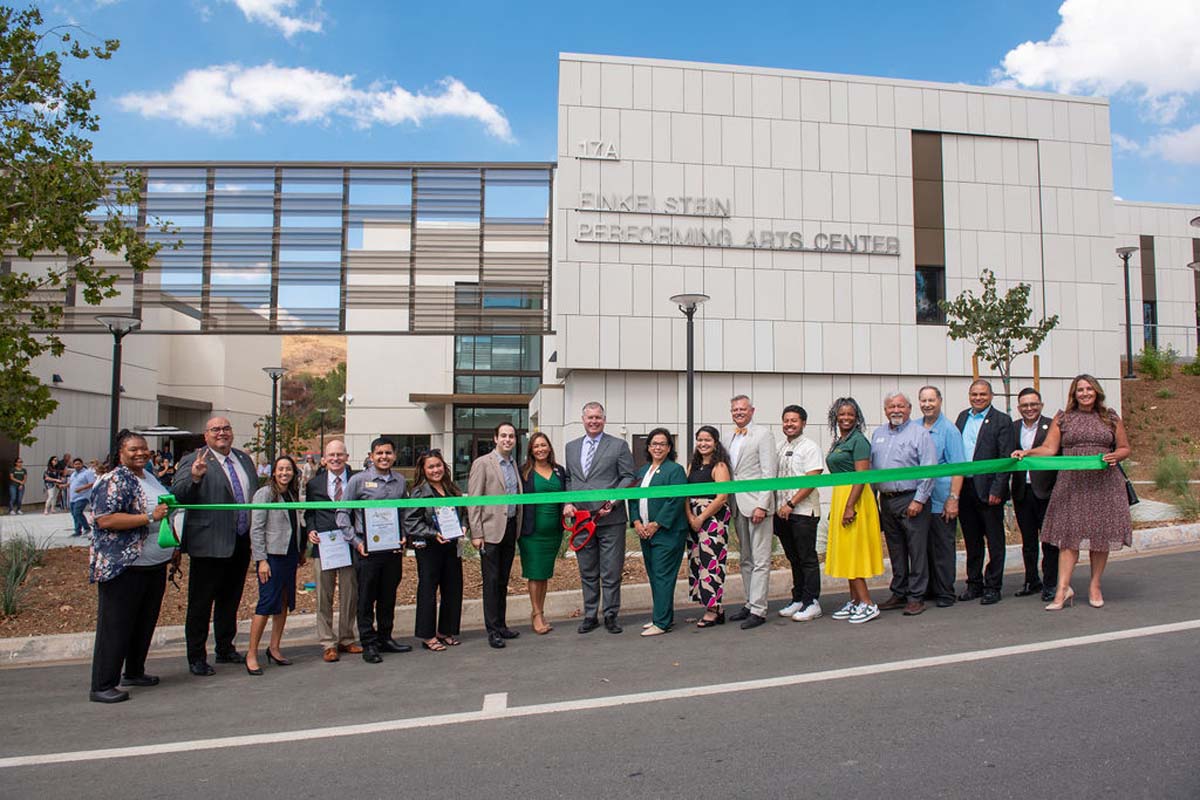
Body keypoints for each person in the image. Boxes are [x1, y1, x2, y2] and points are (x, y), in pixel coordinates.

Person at [1014, 374, 1132, 610]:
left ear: (1096, 391)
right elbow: (1049, 449)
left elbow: (1124, 448)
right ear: (1074, 394)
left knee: (1100, 537)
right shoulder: (1063, 418)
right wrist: (1028, 453)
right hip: (1072, 484)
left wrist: (1116, 456)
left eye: (1089, 389)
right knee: (1068, 538)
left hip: (1104, 484)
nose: (1085, 393)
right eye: (1080, 390)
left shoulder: (1110, 417)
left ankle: (1095, 586)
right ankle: (1062, 590)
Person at [87, 430, 175, 703]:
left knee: (143, 622)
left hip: (153, 563)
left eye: (143, 448)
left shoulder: (148, 476)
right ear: (120, 453)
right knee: (115, 626)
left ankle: (134, 671)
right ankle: (102, 684)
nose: (140, 453)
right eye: (133, 449)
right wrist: (149, 517)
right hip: (124, 566)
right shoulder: (113, 479)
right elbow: (105, 519)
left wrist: (174, 546)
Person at [172, 416, 258, 676]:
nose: (222, 433)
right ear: (206, 435)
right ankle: (197, 656)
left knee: (230, 600)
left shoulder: (243, 459)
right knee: (200, 604)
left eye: (226, 428)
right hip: (209, 543)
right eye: (216, 429)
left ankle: (225, 647)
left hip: (240, 541)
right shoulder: (195, 459)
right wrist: (195, 478)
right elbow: (178, 495)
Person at [563, 402, 636, 634]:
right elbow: (570, 479)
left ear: (604, 420)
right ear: (583, 419)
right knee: (587, 570)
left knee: (611, 571)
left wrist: (612, 502)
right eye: (590, 417)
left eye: (598, 417)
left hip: (610, 519)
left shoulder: (618, 445)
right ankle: (590, 615)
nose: (594, 421)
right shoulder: (571, 447)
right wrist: (568, 503)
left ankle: (611, 614)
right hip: (582, 520)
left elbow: (628, 477)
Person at [338, 436, 411, 663]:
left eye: (388, 453)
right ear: (371, 456)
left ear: (394, 456)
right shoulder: (358, 481)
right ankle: (368, 643)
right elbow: (342, 514)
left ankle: (385, 638)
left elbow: (404, 513)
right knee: (366, 598)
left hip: (392, 550)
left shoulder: (400, 481)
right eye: (379, 453)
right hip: (367, 550)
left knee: (388, 596)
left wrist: (404, 535)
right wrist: (356, 542)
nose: (384, 457)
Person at [871, 392, 937, 616]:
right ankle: (899, 592)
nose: (896, 410)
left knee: (916, 550)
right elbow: (872, 470)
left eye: (900, 406)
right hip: (887, 500)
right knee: (896, 549)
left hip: (911, 498)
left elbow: (929, 469)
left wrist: (919, 499)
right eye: (891, 406)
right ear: (885, 410)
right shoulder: (878, 434)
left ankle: (916, 596)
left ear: (909, 409)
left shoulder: (920, 434)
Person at [954, 380, 1016, 605]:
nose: (978, 398)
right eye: (974, 394)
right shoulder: (962, 417)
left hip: (989, 490)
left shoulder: (1002, 420)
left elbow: (1005, 457)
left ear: (991, 396)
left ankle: (993, 586)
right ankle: (974, 584)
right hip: (966, 487)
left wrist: (998, 488)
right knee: (972, 541)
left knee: (995, 541)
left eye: (982, 394)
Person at [824, 398, 883, 624]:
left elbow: (861, 477)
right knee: (846, 551)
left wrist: (849, 506)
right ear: (835, 417)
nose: (846, 418)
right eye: (842, 414)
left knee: (854, 552)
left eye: (850, 414)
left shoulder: (859, 441)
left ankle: (868, 603)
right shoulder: (840, 441)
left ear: (857, 417)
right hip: (842, 497)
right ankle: (855, 600)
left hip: (856, 499)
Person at [722, 394, 778, 629]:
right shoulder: (728, 437)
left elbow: (769, 472)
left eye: (742, 409)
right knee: (745, 558)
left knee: (761, 559)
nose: (738, 413)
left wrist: (762, 505)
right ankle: (749, 602)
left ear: (752, 411)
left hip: (757, 505)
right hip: (737, 505)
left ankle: (759, 609)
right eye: (735, 410)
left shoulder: (763, 435)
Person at [246, 456, 305, 675]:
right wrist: (261, 560)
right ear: (273, 472)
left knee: (283, 602)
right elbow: (256, 529)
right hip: (272, 557)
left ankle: (274, 647)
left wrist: (300, 551)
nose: (284, 473)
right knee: (266, 603)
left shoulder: (292, 493)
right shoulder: (264, 494)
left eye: (288, 469)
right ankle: (251, 653)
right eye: (280, 469)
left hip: (289, 555)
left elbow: (295, 524)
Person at [467, 422, 525, 649]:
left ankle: (501, 625)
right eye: (503, 436)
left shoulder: (513, 464)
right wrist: (476, 533)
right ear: (495, 438)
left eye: (511, 436)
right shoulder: (482, 463)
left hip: (510, 528)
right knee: (491, 582)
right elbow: (474, 500)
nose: (507, 440)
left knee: (502, 581)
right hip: (490, 532)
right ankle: (492, 630)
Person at [628, 428, 689, 637]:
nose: (658, 447)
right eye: (654, 443)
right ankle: (662, 616)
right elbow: (633, 498)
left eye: (663, 444)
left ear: (669, 448)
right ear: (648, 446)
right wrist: (636, 522)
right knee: (654, 575)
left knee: (663, 576)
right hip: (644, 531)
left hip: (667, 532)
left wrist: (656, 524)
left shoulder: (675, 470)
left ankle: (661, 623)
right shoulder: (643, 470)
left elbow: (675, 500)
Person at [304, 439, 360, 662]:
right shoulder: (314, 484)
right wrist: (310, 530)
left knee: (350, 593)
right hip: (324, 545)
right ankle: (328, 643)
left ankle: (347, 638)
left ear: (347, 457)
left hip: (350, 544)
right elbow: (309, 513)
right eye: (331, 455)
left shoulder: (356, 480)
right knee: (323, 596)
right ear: (324, 459)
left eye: (340, 454)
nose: (336, 459)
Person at [405, 451, 466, 652]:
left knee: (453, 588)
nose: (435, 470)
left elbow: (463, 512)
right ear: (423, 470)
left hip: (451, 546)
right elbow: (411, 522)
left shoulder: (452, 489)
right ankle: (427, 635)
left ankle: (445, 631)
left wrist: (463, 526)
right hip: (430, 547)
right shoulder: (419, 492)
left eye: (438, 465)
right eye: (430, 467)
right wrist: (433, 533)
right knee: (428, 591)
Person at [774, 405, 825, 622]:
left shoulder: (810, 447)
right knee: (793, 558)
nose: (789, 424)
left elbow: (812, 479)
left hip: (803, 512)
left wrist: (791, 503)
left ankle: (811, 601)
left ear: (803, 423)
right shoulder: (779, 447)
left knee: (807, 558)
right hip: (782, 513)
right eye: (786, 420)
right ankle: (798, 598)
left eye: (794, 420)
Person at [918, 385, 966, 608]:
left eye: (931, 400)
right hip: (920, 499)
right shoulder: (915, 427)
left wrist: (953, 499)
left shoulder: (949, 430)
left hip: (941, 498)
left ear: (940, 401)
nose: (927, 404)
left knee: (943, 547)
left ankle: (946, 591)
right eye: (923, 400)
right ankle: (929, 588)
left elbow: (958, 468)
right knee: (925, 546)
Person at [519, 432, 570, 635]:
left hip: (553, 531)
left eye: (543, 445)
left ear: (549, 447)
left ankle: (540, 611)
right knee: (535, 573)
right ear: (531, 450)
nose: (540, 449)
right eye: (536, 446)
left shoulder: (559, 471)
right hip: (531, 533)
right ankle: (536, 614)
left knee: (544, 574)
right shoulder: (524, 472)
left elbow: (565, 496)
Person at [1011, 388, 1058, 601]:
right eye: (1025, 405)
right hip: (1022, 492)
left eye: (1033, 404)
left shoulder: (1052, 426)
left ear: (1041, 405)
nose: (1029, 408)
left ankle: (1051, 584)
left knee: (1049, 541)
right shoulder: (1012, 428)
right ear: (1019, 407)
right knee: (1028, 541)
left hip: (1047, 492)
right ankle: (1031, 580)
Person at [685, 426, 733, 628]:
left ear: (715, 443)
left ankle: (713, 609)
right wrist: (691, 517)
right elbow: (685, 493)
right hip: (693, 518)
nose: (703, 444)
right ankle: (714, 608)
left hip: (713, 519)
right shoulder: (693, 466)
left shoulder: (719, 466)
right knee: (697, 561)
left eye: (708, 440)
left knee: (711, 562)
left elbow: (722, 497)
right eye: (700, 440)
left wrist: (702, 517)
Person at [68, 457, 97, 537]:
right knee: (74, 514)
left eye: (79, 464)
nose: (77, 466)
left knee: (77, 512)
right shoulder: (73, 474)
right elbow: (71, 483)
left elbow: (92, 483)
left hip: (83, 496)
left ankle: (86, 528)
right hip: (73, 497)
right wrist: (64, 486)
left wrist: (81, 488)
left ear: (82, 464)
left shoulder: (87, 473)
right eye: (75, 464)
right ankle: (77, 531)